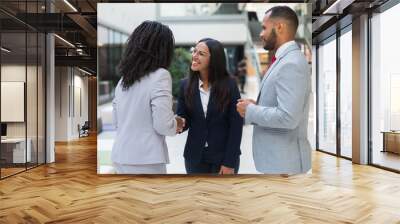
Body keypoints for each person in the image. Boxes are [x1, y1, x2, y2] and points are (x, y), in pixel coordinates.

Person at [236, 6, 311, 175]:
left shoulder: (290, 63)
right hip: (279, 163)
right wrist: (258, 105)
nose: (261, 34)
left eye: (264, 27)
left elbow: (288, 118)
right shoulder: (285, 60)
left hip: (284, 166)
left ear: (279, 27)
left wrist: (251, 111)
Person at [111, 21, 185, 174]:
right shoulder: (161, 76)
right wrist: (177, 122)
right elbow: (162, 124)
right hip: (146, 161)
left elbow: (117, 123)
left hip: (120, 156)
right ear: (163, 49)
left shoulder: (123, 80)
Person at [177, 38, 243, 174]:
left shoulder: (230, 85)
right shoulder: (185, 85)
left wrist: (229, 162)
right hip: (194, 158)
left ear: (214, 59)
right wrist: (177, 123)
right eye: (194, 51)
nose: (194, 56)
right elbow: (184, 118)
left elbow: (236, 126)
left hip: (223, 158)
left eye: (201, 53)